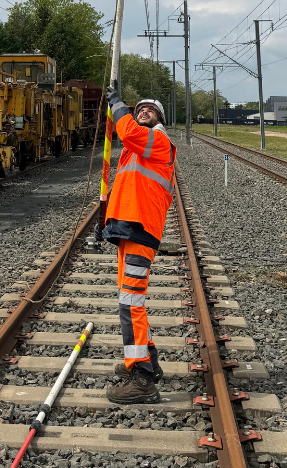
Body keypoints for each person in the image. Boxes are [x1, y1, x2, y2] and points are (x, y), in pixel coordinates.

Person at [102, 89, 177, 404]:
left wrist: (117, 105)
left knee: (130, 303)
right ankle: (145, 359)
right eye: (140, 108)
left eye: (151, 109)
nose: (144, 110)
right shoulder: (133, 150)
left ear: (160, 119)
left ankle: (142, 377)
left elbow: (129, 131)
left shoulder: (158, 142)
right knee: (128, 299)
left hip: (141, 229)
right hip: (128, 228)